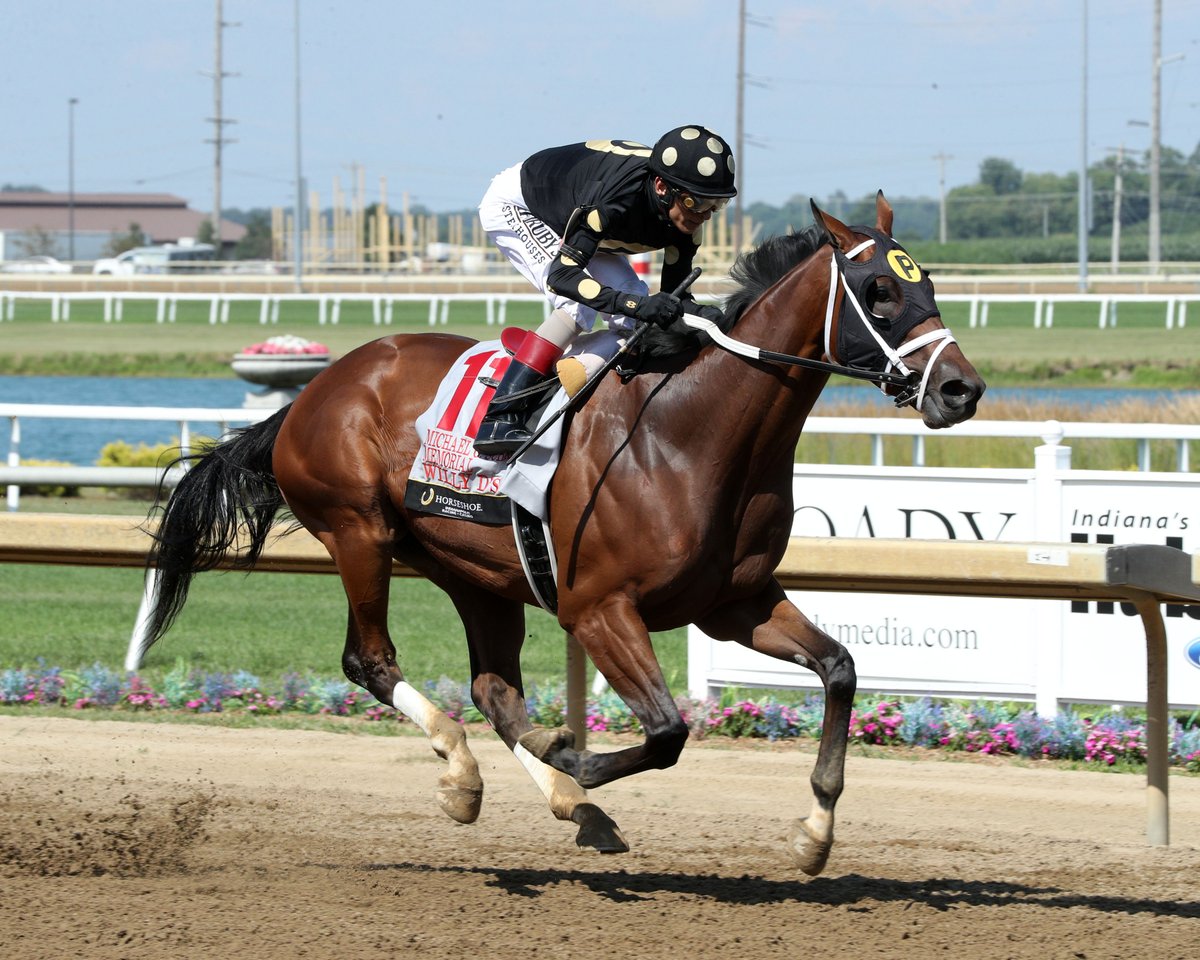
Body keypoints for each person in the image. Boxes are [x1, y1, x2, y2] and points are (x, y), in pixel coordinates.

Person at [472, 124, 736, 455]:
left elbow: (674, 300)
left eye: (715, 205)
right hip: (522, 206)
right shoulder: (617, 199)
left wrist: (707, 318)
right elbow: (562, 276)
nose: (705, 215)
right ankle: (500, 416)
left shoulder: (685, 223)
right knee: (577, 306)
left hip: (577, 217)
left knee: (637, 314)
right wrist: (636, 306)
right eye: (695, 202)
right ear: (661, 187)